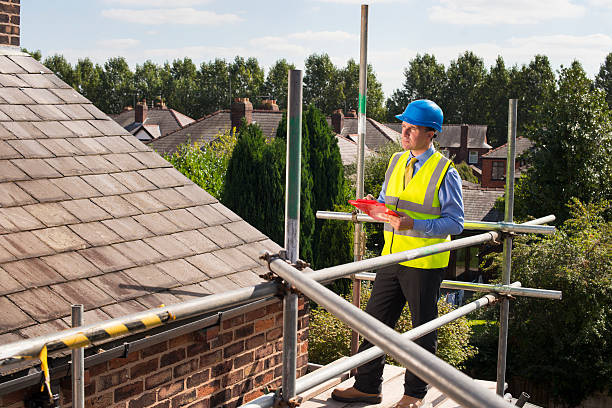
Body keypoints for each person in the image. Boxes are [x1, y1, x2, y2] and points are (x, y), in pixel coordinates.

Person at [331, 99, 464, 408]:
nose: (404, 132)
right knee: (375, 324)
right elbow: (388, 204)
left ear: (431, 133)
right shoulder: (395, 161)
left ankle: (414, 396)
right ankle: (367, 386)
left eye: (412, 127)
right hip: (391, 259)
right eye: (403, 126)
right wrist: (373, 207)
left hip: (423, 263)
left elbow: (455, 222)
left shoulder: (445, 170)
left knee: (421, 331)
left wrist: (413, 224)